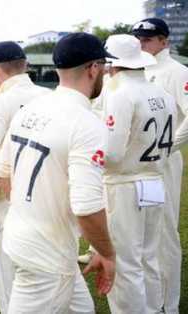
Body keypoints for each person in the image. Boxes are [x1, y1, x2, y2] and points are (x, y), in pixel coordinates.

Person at [0, 33, 116, 312]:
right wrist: (108, 253)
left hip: (21, 235)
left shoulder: (32, 108)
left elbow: (4, 175)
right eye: (104, 66)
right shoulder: (87, 123)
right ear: (93, 68)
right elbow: (86, 207)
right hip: (47, 254)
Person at [0, 41, 50, 313]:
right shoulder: (51, 96)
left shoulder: (1, 101)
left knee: (9, 273)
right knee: (46, 273)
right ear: (25, 65)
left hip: (8, 194)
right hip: (48, 194)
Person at [101, 34, 177, 313]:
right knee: (148, 259)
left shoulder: (121, 95)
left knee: (125, 262)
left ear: (113, 64)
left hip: (124, 184)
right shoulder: (162, 93)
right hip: (155, 180)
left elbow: (112, 154)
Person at [132, 18, 188, 313]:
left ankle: (171, 304)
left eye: (148, 39)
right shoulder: (137, 71)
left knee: (166, 235)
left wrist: (165, 151)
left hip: (163, 164)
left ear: (164, 41)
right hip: (137, 165)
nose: (142, 43)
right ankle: (151, 300)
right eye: (139, 39)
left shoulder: (177, 72)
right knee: (142, 234)